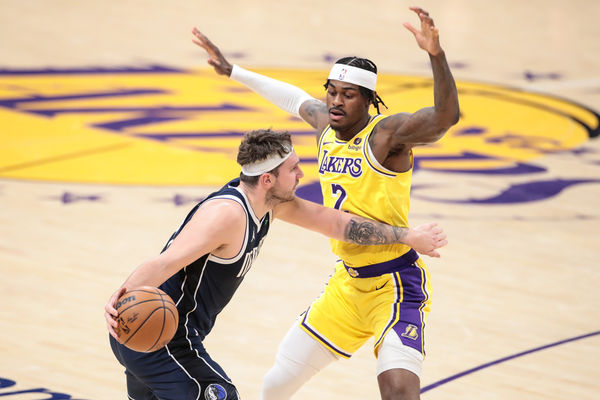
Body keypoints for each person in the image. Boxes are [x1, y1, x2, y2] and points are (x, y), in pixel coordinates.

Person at [192, 6, 460, 400]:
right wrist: (233, 71)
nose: (335, 101)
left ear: (368, 99)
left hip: (395, 283)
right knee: (275, 385)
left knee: (399, 390)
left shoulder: (387, 137)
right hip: (347, 283)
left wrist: (435, 55)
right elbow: (293, 98)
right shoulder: (326, 128)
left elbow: (444, 117)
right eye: (331, 91)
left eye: (347, 95)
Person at [105, 129, 447, 400]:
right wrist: (120, 297)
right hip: (161, 337)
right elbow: (165, 263)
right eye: (293, 168)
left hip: (152, 335)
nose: (302, 172)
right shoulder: (228, 214)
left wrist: (406, 236)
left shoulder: (270, 203)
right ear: (267, 179)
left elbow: (335, 223)